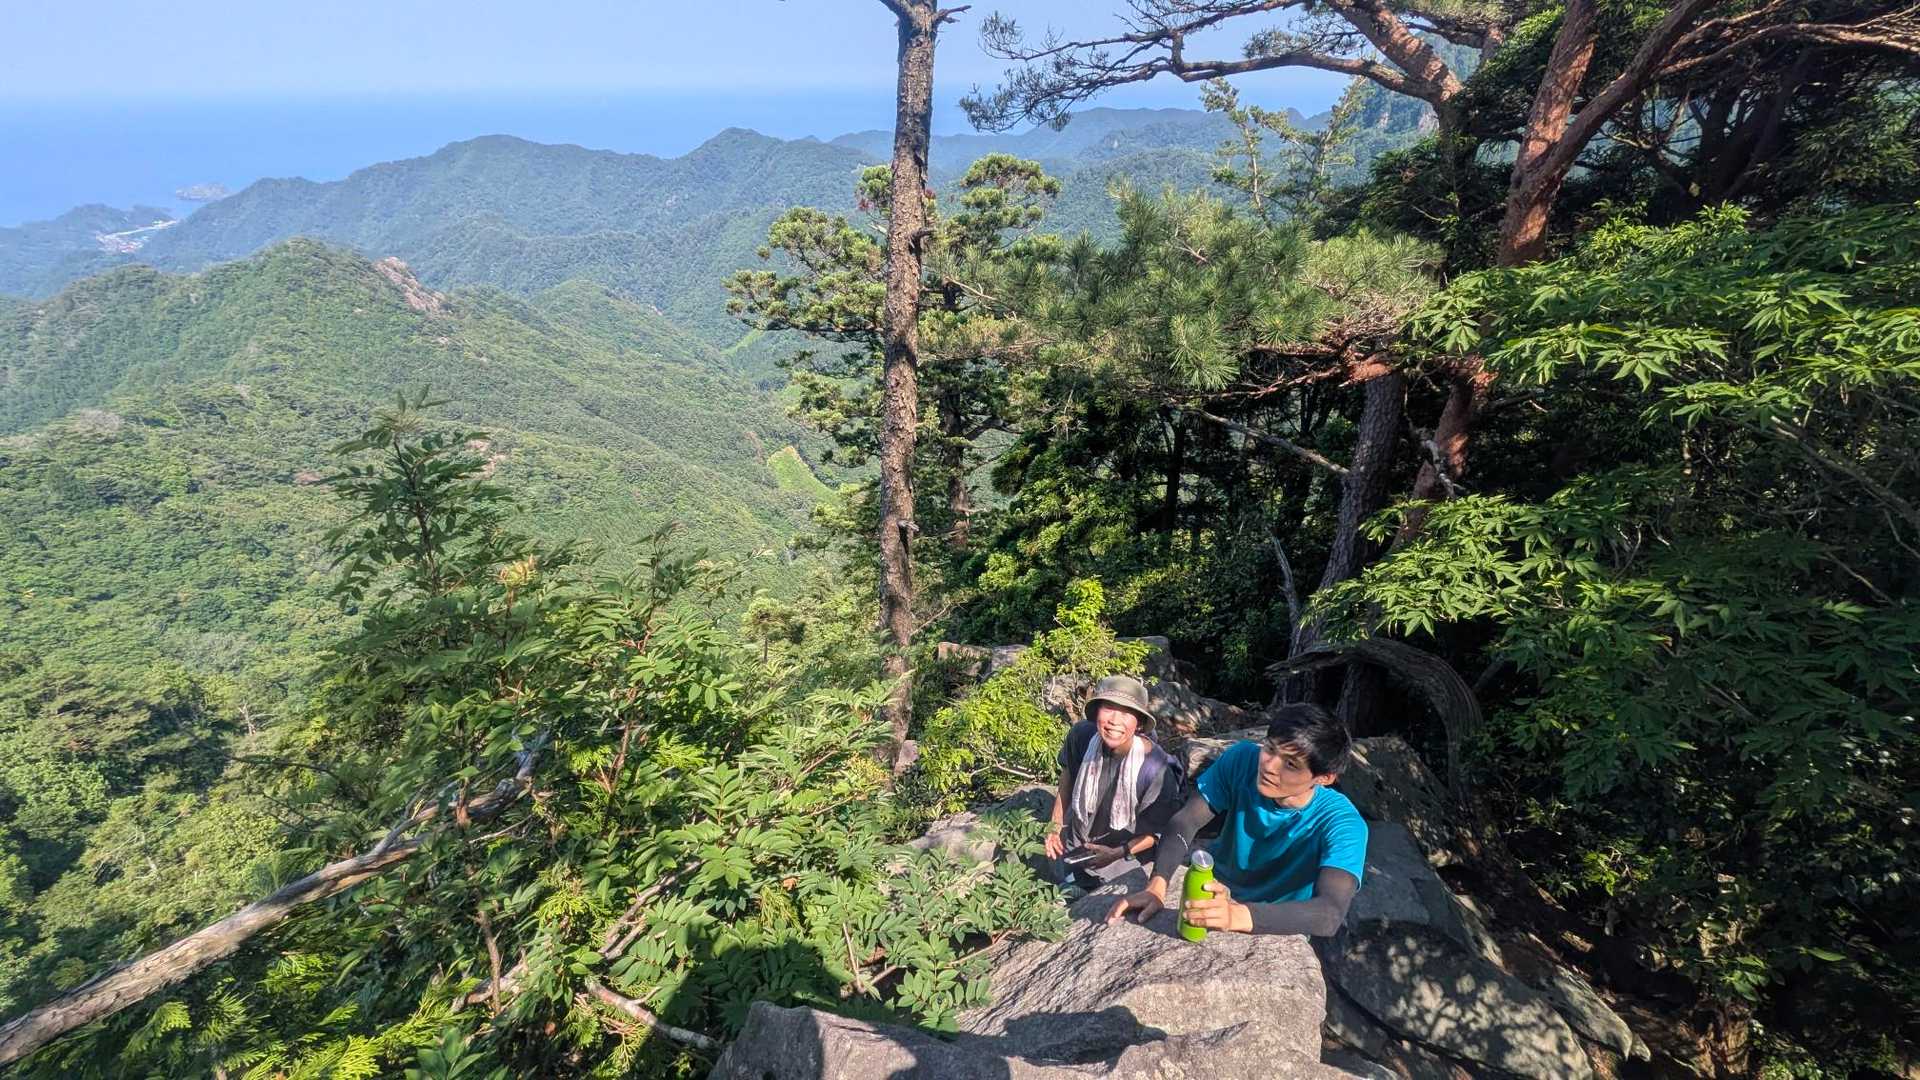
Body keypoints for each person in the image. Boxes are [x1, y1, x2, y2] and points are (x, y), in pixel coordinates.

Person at [1106, 702, 1366, 935]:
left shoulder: (1341, 824)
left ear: (1324, 778)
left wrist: (1235, 915)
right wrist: (1157, 884)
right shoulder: (1243, 760)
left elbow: (1329, 913)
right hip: (1214, 888)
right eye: (1270, 748)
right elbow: (1186, 821)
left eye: (1290, 764)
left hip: (1276, 920)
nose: (1269, 766)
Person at [1042, 674, 1183, 889]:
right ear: (1097, 712)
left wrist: (1117, 853)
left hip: (1122, 857)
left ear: (1139, 723)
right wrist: (1054, 826)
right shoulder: (1082, 736)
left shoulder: (1156, 769)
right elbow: (1068, 774)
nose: (1115, 721)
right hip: (1075, 844)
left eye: (1126, 713)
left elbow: (1158, 833)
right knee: (1062, 888)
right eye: (1108, 708)